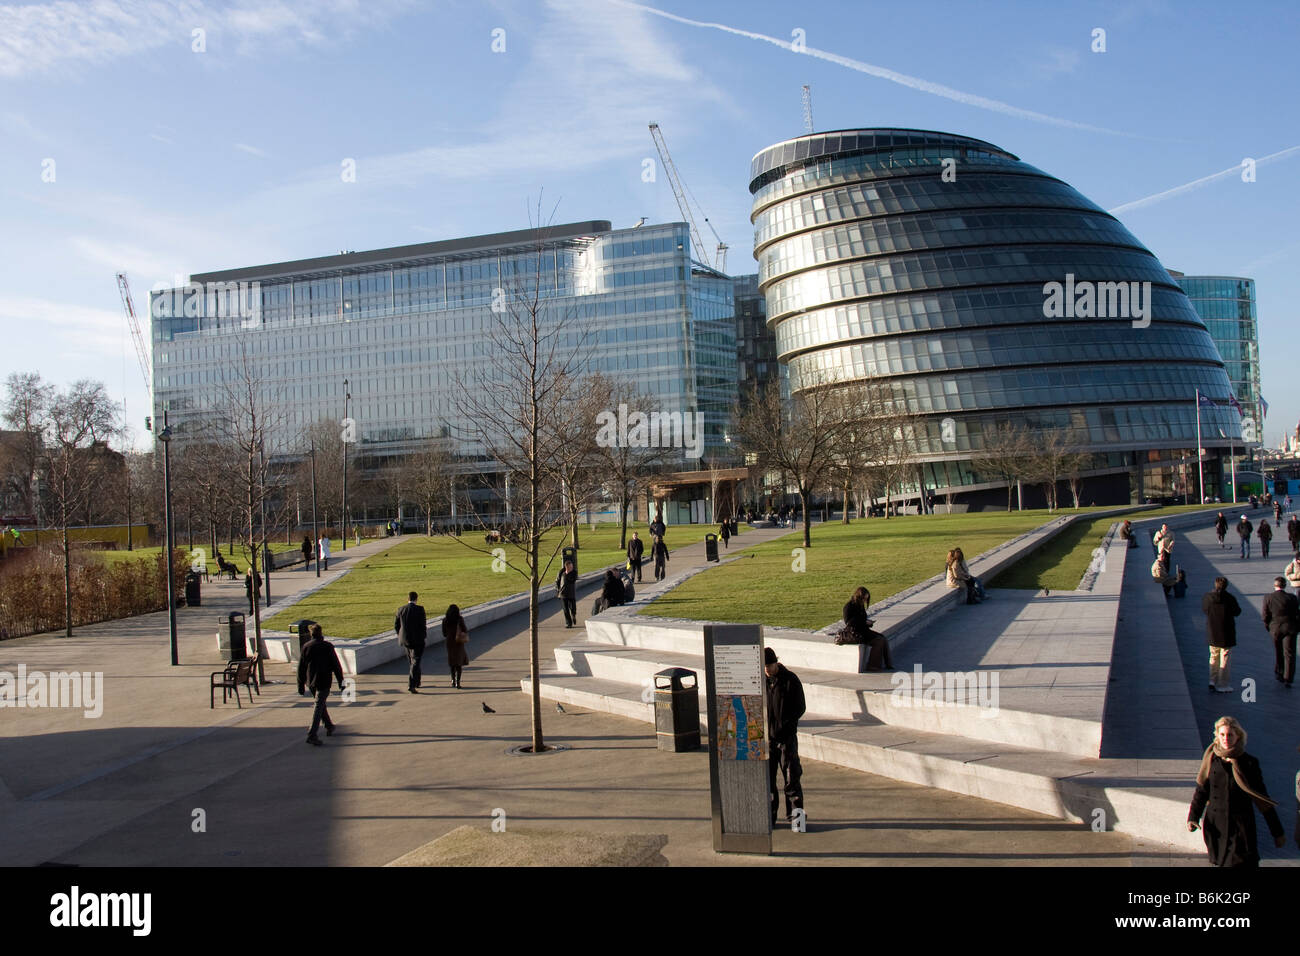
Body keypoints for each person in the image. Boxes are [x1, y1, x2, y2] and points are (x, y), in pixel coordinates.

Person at [1187, 716, 1285, 867]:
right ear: (1217, 736)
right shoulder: (1211, 759)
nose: (1226, 738)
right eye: (1222, 735)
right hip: (1216, 826)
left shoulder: (1249, 763)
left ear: (1238, 736)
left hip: (1240, 828)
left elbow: (1262, 799)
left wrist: (1277, 832)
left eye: (1230, 735)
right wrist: (1193, 817)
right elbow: (1201, 791)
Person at [764, 647, 805, 828]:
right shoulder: (761, 681)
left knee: (792, 781)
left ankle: (797, 821)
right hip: (768, 740)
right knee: (769, 782)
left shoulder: (790, 680)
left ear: (776, 663)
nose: (767, 669)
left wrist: (787, 725)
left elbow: (800, 707)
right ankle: (770, 819)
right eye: (764, 666)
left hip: (786, 738)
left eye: (770, 665)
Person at [297, 623, 346, 746]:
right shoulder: (327, 646)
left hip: (311, 682)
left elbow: (301, 668)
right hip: (324, 680)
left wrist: (300, 684)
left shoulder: (306, 647)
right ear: (321, 633)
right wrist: (341, 682)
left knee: (320, 704)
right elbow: (336, 666)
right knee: (319, 706)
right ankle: (312, 734)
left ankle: (329, 726)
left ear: (311, 634)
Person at [1202, 576, 1241, 693]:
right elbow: (1237, 612)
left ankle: (1212, 680)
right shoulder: (1230, 598)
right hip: (1226, 632)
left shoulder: (1208, 597)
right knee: (1224, 657)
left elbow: (1205, 610)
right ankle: (1222, 684)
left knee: (1213, 656)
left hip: (1212, 631)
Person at [842, 586, 893, 670]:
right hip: (856, 633)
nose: (865, 601)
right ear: (859, 597)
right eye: (864, 599)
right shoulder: (849, 606)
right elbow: (849, 623)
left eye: (866, 599)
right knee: (879, 641)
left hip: (863, 630)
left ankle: (888, 663)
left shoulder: (860, 606)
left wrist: (867, 623)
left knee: (883, 638)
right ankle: (872, 665)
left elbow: (861, 619)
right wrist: (864, 621)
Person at [1262, 576, 1298, 688]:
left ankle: (1279, 673)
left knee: (1278, 651)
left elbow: (1265, 615)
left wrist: (1268, 626)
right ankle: (1288, 678)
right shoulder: (1292, 597)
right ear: (1285, 585)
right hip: (1290, 627)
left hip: (1275, 628)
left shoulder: (1268, 597)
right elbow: (1297, 613)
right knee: (1289, 653)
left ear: (1275, 585)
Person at [395, 591, 427, 693]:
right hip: (417, 640)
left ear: (407, 599)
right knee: (416, 661)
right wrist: (423, 636)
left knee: (411, 661)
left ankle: (417, 681)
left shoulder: (401, 609)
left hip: (405, 640)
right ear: (416, 599)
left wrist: (401, 635)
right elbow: (423, 625)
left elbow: (397, 625)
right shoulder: (420, 609)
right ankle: (412, 684)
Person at [443, 603, 469, 688]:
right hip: (458, 641)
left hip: (449, 642)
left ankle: (453, 680)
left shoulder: (445, 620)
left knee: (452, 661)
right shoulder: (459, 619)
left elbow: (444, 633)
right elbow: (465, 629)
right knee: (459, 662)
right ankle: (458, 682)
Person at [555, 558, 578, 628]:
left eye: (572, 567)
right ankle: (568, 623)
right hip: (563, 594)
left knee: (573, 608)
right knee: (565, 609)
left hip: (571, 593)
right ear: (566, 567)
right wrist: (557, 590)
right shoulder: (561, 572)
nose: (571, 568)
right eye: (570, 567)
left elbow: (572, 580)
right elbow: (557, 581)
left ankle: (573, 615)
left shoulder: (574, 573)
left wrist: (567, 574)